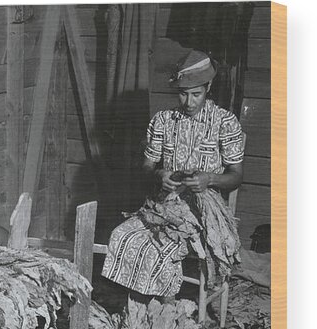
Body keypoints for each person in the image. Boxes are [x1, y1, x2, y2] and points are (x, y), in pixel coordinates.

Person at [101, 50, 244, 297]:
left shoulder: (225, 123)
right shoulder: (163, 121)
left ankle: (161, 305)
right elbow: (146, 167)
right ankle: (142, 306)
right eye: (183, 94)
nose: (189, 102)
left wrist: (209, 179)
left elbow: (236, 176)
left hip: (204, 213)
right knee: (121, 236)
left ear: (208, 87)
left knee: (160, 247)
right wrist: (158, 175)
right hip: (163, 207)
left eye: (196, 94)